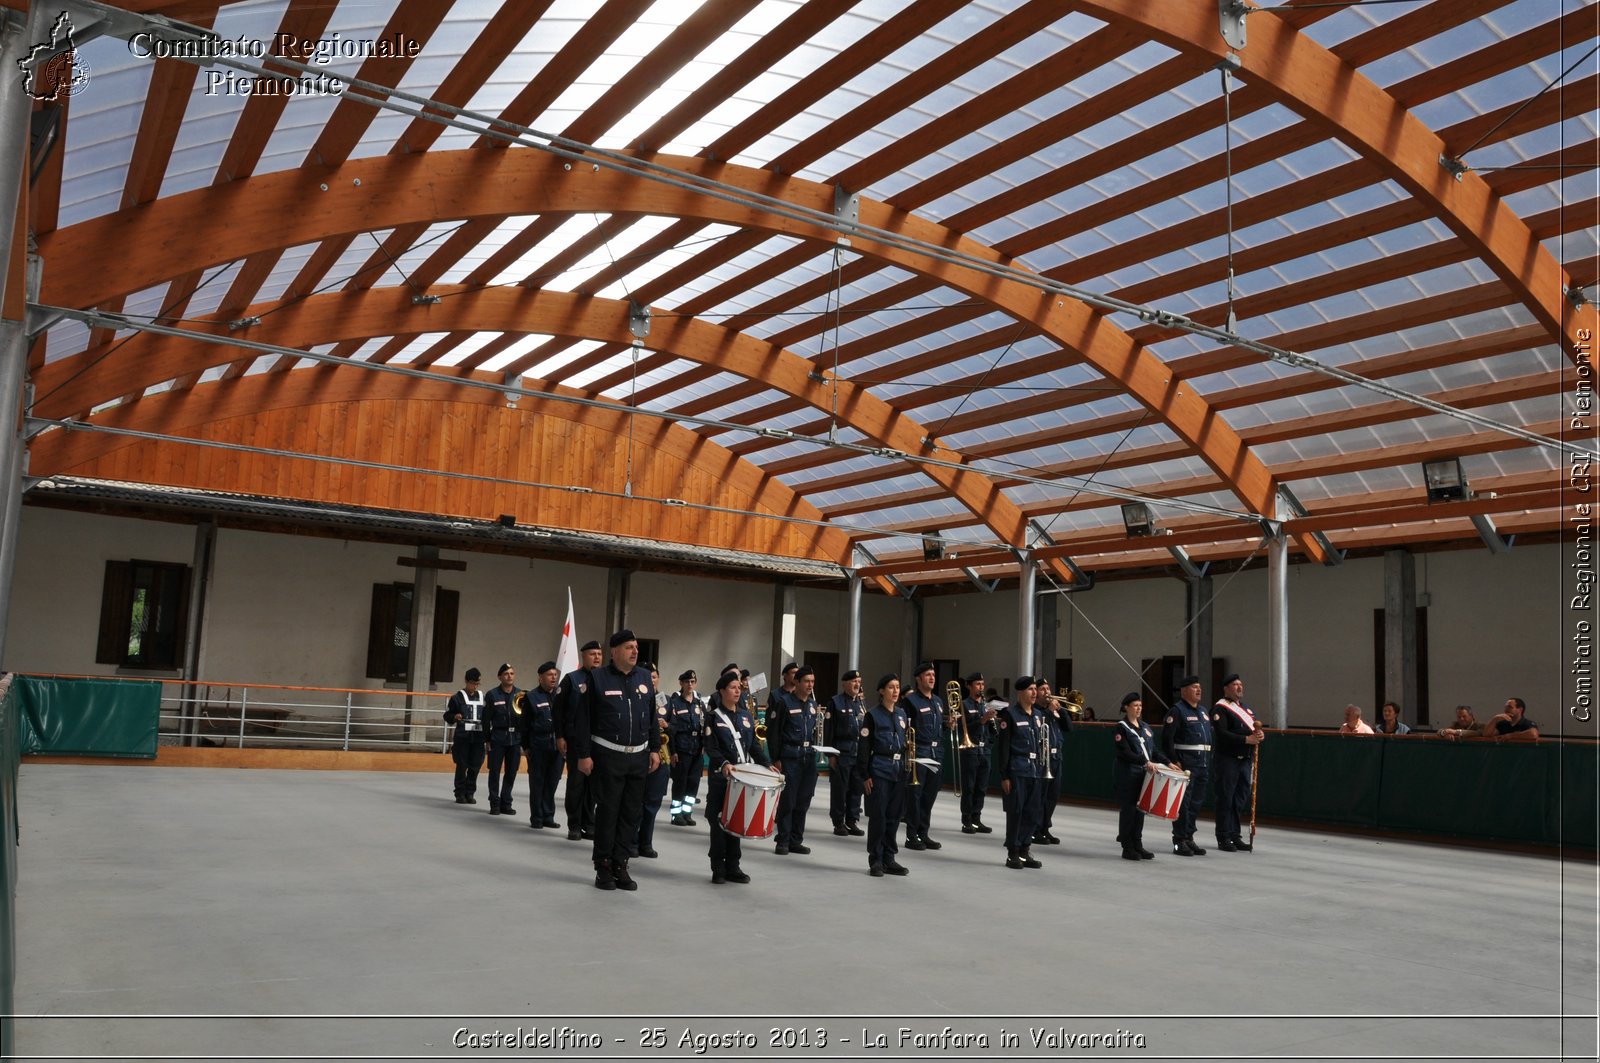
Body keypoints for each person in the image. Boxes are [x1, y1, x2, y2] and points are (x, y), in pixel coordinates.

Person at [572, 630, 662, 892]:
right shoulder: (597, 678)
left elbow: (652, 717)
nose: (634, 651)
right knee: (608, 813)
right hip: (607, 756)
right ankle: (603, 867)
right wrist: (583, 754)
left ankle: (621, 864)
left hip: (639, 758)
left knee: (630, 814)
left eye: (635, 647)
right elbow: (583, 720)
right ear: (614, 651)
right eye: (628, 647)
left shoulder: (644, 677)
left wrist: (654, 748)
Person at [703, 670, 771, 884]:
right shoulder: (713, 717)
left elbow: (753, 746)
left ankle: (734, 866)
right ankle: (718, 867)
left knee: (736, 823)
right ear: (721, 691)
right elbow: (711, 747)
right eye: (732, 687)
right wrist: (724, 763)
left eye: (738, 688)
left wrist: (767, 764)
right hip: (721, 778)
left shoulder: (745, 716)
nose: (737, 691)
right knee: (719, 822)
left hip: (741, 778)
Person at [1114, 692, 1181, 861]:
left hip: (1145, 773)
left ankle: (1137, 844)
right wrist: (1144, 761)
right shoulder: (1121, 727)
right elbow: (1125, 752)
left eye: (1140, 705)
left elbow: (1154, 750)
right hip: (1130, 773)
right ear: (1126, 708)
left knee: (1140, 809)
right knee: (1129, 809)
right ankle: (1127, 846)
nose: (1138, 709)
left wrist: (1167, 762)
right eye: (1135, 705)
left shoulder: (1144, 726)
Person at [860, 673, 911, 877]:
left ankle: (890, 857)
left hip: (898, 770)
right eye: (891, 687)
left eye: (897, 687)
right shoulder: (872, 715)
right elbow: (864, 747)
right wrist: (865, 774)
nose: (896, 691)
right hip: (879, 768)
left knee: (894, 817)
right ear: (882, 691)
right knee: (878, 817)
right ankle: (876, 859)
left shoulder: (901, 714)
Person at [556, 640, 603, 841]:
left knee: (593, 786)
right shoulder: (571, 679)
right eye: (592, 654)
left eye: (600, 654)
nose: (597, 657)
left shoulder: (605, 679)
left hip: (599, 742)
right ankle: (574, 825)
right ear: (583, 656)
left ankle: (589, 824)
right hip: (576, 741)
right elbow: (558, 710)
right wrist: (560, 736)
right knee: (576, 784)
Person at [771, 665, 821, 855]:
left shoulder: (813, 705)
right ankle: (782, 840)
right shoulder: (784, 703)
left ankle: (796, 839)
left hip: (808, 757)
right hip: (790, 757)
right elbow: (774, 733)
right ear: (797, 682)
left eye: (812, 682)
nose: (810, 685)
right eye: (807, 681)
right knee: (788, 801)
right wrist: (776, 758)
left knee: (804, 800)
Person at [1211, 672, 1263, 853]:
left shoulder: (1246, 709)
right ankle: (1223, 836)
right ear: (1226, 688)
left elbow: (1252, 729)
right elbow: (1222, 734)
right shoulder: (1220, 709)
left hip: (1244, 760)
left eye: (1240, 684)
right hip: (1228, 759)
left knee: (1239, 798)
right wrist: (1246, 740)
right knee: (1226, 797)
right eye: (1235, 685)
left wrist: (1258, 735)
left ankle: (1235, 835)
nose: (1239, 688)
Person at [995, 676, 1044, 869]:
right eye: (1030, 689)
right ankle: (1013, 851)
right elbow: (1004, 747)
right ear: (1020, 692)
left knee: (1032, 812)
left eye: (1035, 689)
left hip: (1035, 769)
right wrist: (1005, 775)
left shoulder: (1039, 715)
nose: (1034, 693)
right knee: (1016, 811)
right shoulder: (1010, 715)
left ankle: (1025, 849)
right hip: (1017, 769)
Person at [1161, 675, 1211, 856]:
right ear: (1183, 691)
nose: (1199, 690)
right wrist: (1174, 761)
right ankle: (1179, 840)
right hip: (1186, 764)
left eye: (1199, 687)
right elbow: (1167, 739)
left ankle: (1189, 837)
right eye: (1194, 687)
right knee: (1184, 804)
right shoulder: (1177, 711)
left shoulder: (1203, 712)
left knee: (1196, 803)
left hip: (1202, 764)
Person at [898, 662, 945, 851]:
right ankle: (911, 835)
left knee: (930, 795)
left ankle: (923, 832)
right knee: (915, 795)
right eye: (928, 675)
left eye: (933, 674)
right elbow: (904, 727)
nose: (932, 678)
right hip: (919, 751)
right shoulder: (910, 701)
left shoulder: (938, 701)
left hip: (936, 751)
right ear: (918, 679)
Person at [635, 663, 671, 859]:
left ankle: (645, 842)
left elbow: (677, 727)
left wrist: (667, 725)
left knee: (652, 804)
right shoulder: (636, 697)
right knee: (635, 803)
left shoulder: (667, 702)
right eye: (648, 676)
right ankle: (631, 841)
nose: (652, 679)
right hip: (640, 754)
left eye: (655, 676)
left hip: (661, 756)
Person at [521, 661, 562, 828]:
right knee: (537, 783)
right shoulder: (531, 697)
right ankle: (537, 818)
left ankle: (548, 816)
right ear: (540, 678)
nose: (554, 677)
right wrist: (526, 747)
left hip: (557, 747)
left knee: (552, 782)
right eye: (550, 675)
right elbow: (525, 725)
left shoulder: (560, 695)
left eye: (555, 675)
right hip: (538, 745)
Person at [825, 669, 866, 837]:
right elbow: (829, 731)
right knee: (840, 789)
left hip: (858, 752)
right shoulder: (836, 702)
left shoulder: (860, 704)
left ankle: (852, 820)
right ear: (845, 684)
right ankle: (838, 822)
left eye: (859, 681)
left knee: (856, 789)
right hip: (841, 752)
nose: (857, 684)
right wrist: (831, 755)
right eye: (853, 681)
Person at [957, 672, 996, 834]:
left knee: (982, 786)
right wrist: (982, 720)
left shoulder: (986, 704)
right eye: (978, 684)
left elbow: (990, 729)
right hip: (970, 749)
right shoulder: (963, 704)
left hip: (984, 748)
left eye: (982, 684)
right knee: (969, 786)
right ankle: (966, 819)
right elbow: (962, 728)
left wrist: (991, 728)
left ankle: (976, 818)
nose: (981, 687)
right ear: (970, 686)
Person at [483, 663, 522, 816]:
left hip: (515, 739)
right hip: (498, 738)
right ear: (500, 677)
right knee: (494, 772)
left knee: (512, 771)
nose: (509, 676)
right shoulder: (492, 694)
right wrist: (487, 740)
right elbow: (486, 720)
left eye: (512, 673)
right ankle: (494, 803)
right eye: (506, 674)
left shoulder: (520, 695)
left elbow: (524, 719)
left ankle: (506, 803)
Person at [667, 669, 706, 826]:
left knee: (693, 783)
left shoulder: (699, 703)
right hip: (682, 748)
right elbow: (672, 730)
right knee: (680, 783)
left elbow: (705, 725)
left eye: (692, 682)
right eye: (687, 682)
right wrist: (673, 751)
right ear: (681, 683)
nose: (690, 684)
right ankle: (676, 814)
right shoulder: (674, 702)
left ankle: (687, 812)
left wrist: (704, 746)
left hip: (697, 748)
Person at [443, 667, 486, 804]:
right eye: (473, 683)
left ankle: (470, 792)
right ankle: (460, 792)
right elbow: (447, 715)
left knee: (476, 765)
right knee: (462, 765)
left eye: (477, 683)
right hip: (463, 736)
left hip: (478, 736)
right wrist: (455, 716)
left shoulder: (482, 697)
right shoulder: (457, 697)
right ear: (466, 681)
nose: (475, 686)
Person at [1034, 680, 1068, 846]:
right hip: (1043, 757)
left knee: (1052, 796)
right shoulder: (1036, 711)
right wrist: (1049, 711)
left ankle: (1045, 827)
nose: (1047, 691)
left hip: (1056, 757)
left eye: (1048, 688)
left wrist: (1061, 710)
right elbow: (1039, 726)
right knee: (1041, 795)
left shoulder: (1054, 710)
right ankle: (1035, 829)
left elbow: (1069, 727)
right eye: (1042, 689)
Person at [765, 662, 799, 760]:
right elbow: (770, 723)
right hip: (782, 743)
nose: (796, 675)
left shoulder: (800, 694)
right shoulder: (775, 695)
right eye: (793, 673)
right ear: (785, 675)